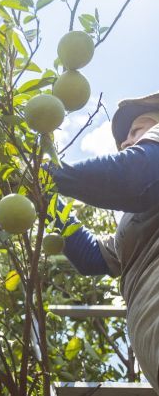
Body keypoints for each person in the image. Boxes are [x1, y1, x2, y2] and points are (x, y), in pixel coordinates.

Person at [46, 92, 159, 393]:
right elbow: (92, 257)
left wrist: (53, 174)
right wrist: (46, 198)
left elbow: (138, 174)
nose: (126, 141)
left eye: (138, 130)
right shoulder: (138, 221)